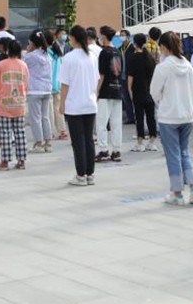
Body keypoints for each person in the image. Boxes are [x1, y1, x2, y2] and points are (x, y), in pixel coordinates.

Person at [151, 32, 193, 205]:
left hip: (169, 116)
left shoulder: (163, 67)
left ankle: (177, 193)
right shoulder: (187, 65)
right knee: (184, 152)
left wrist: (162, 101)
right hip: (187, 115)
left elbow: (154, 91)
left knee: (173, 155)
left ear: (164, 47)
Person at [59, 25, 99, 186]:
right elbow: (96, 80)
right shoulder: (92, 56)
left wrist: (62, 103)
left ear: (73, 38)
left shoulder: (69, 58)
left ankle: (80, 175)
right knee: (89, 139)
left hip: (74, 105)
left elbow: (65, 84)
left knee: (78, 141)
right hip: (90, 103)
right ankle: (90, 174)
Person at [0, 39, 29, 170]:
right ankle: (21, 161)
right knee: (20, 132)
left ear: (7, 50)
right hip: (19, 103)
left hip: (4, 104)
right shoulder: (23, 65)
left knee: (5, 133)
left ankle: (5, 161)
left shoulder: (1, 65)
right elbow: (26, 85)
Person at [95, 26, 124, 163]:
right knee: (116, 122)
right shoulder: (118, 51)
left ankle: (103, 150)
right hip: (117, 89)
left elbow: (101, 74)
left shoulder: (104, 52)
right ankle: (116, 151)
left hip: (106, 90)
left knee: (102, 123)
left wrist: (97, 90)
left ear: (104, 36)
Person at [126, 33, 158, 152]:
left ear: (134, 43)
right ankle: (152, 141)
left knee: (139, 117)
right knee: (151, 117)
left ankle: (140, 142)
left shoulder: (132, 58)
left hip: (138, 91)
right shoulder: (150, 58)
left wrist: (130, 91)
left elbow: (130, 77)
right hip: (150, 91)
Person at [24, 31, 54, 153]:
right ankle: (48, 142)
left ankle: (39, 142)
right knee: (45, 117)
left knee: (35, 118)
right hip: (47, 89)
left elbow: (22, 65)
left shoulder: (30, 56)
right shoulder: (47, 56)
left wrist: (28, 51)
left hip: (35, 90)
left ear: (32, 43)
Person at [48, 34, 67, 140]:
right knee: (58, 108)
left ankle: (50, 131)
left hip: (49, 85)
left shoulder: (46, 53)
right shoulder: (58, 53)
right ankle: (62, 130)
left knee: (49, 110)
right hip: (58, 84)